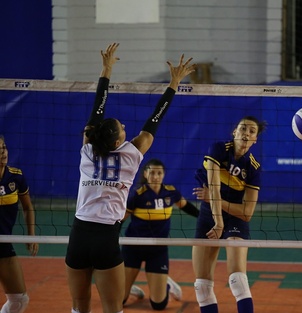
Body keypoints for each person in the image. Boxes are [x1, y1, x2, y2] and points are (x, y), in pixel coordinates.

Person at [65, 42, 195, 313]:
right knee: (113, 308)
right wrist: (174, 83)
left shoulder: (87, 150)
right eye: (121, 128)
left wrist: (107, 69)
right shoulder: (132, 155)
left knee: (79, 307)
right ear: (116, 141)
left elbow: (97, 109)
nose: (124, 126)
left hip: (78, 234)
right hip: (105, 238)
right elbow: (155, 118)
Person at [192, 116, 267, 313]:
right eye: (243, 128)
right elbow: (214, 188)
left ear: (255, 140)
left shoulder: (253, 168)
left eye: (252, 131)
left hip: (234, 217)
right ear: (234, 132)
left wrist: (220, 218)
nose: (246, 133)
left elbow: (246, 213)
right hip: (209, 214)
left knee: (238, 281)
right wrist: (217, 222)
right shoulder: (218, 149)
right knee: (201, 286)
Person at [122, 158, 199, 310]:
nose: (156, 176)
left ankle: (167, 285)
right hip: (133, 247)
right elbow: (120, 220)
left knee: (158, 305)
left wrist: (205, 218)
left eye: (159, 173)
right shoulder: (137, 195)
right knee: (118, 301)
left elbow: (186, 207)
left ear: (163, 175)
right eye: (152, 173)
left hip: (157, 249)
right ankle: (129, 288)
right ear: (145, 174)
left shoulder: (170, 192)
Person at [0, 135, 38, 313]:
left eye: (4, 147)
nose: (2, 152)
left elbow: (28, 206)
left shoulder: (16, 177)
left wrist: (31, 235)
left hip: (4, 245)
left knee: (19, 300)